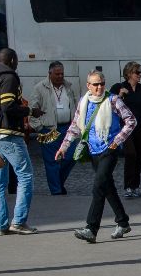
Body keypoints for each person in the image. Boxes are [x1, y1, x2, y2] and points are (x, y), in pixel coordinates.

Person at [55, 70, 135, 243]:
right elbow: (75, 126)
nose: (99, 87)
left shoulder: (113, 100)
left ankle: (91, 228)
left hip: (109, 149)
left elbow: (131, 121)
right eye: (95, 84)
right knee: (107, 187)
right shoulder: (84, 101)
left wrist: (117, 140)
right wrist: (64, 147)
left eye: (102, 84)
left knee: (98, 186)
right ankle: (123, 222)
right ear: (88, 86)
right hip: (92, 150)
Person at [0, 48, 36, 235]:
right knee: (25, 175)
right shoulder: (9, 77)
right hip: (8, 134)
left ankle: (1, 225)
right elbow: (8, 106)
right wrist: (29, 111)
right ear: (12, 60)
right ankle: (19, 221)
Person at [28, 62, 77, 195]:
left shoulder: (68, 86)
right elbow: (32, 109)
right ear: (49, 74)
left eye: (62, 74)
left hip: (67, 128)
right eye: (57, 74)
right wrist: (39, 127)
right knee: (51, 161)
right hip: (48, 129)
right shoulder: (39, 88)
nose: (60, 76)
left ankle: (58, 183)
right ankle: (56, 191)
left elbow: (75, 105)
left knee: (71, 156)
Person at [109, 61, 141, 198]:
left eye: (140, 72)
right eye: (137, 72)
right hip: (125, 128)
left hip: (140, 128)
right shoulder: (118, 87)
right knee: (131, 154)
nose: (139, 75)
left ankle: (136, 186)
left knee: (138, 156)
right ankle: (128, 186)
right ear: (129, 73)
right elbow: (109, 105)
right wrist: (120, 95)